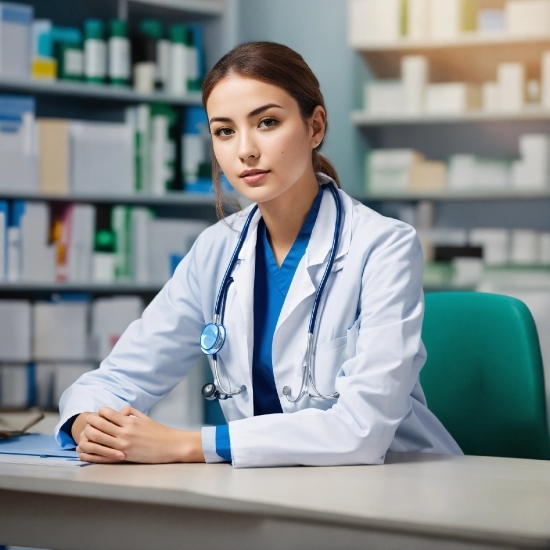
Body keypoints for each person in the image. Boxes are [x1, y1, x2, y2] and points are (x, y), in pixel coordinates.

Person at [55, 41, 462, 468]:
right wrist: (92, 424)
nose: (244, 149)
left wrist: (187, 445)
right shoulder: (217, 249)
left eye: (267, 122)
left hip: (394, 488)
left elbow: (361, 430)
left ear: (315, 126)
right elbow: (114, 380)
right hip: (270, 488)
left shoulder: (383, 245)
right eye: (224, 131)